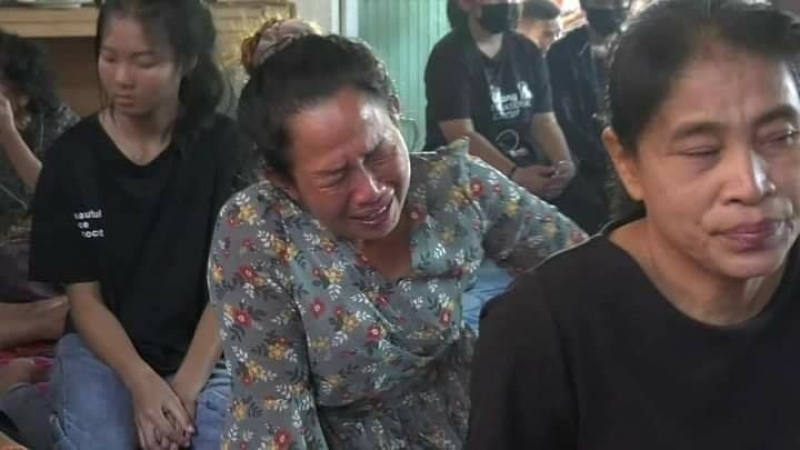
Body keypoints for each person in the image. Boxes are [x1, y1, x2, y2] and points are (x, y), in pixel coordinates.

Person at [209, 33, 586, 448]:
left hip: (468, 420)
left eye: (379, 154)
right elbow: (275, 414)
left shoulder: (454, 186)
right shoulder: (259, 231)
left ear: (395, 110)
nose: (371, 191)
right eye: (335, 175)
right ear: (284, 182)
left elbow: (583, 267)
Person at [468, 1, 800, 448]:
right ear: (627, 163)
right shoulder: (542, 332)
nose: (752, 185)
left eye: (782, 137)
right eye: (702, 150)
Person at [28, 0, 247, 448]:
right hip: (105, 353)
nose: (122, 78)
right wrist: (142, 383)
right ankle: (24, 405)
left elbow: (232, 286)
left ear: (186, 61)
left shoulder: (227, 149)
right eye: (109, 58)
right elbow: (85, 302)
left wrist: (183, 390)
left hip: (208, 349)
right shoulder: (71, 159)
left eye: (144, 62)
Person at [425, 0, 575, 201]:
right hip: (465, 178)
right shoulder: (448, 57)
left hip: (525, 168)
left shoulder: (527, 51)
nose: (508, 3)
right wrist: (515, 175)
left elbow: (544, 122)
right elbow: (461, 134)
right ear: (467, 4)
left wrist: (563, 164)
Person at [546, 0, 632, 233]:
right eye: (604, 2)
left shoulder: (637, 49)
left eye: (619, 2)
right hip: (584, 164)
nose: (612, 8)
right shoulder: (562, 54)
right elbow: (561, 119)